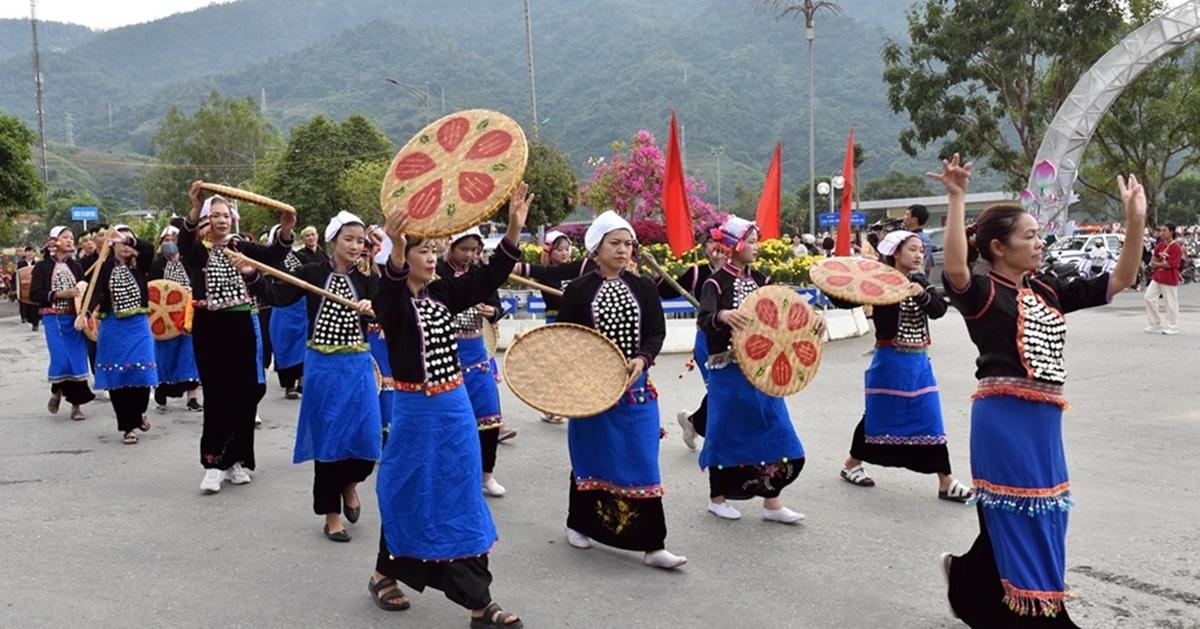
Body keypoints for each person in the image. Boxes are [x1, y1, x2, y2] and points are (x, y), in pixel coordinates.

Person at [933, 154, 1145, 626]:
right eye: (1028, 236)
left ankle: (970, 582)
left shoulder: (1047, 290)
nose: (1039, 243)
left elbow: (1122, 278)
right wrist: (957, 197)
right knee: (1020, 510)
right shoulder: (983, 293)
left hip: (1045, 422)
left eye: (1038, 234)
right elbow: (956, 267)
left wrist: (1135, 220)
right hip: (1003, 418)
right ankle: (1044, 614)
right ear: (998, 248)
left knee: (1041, 511)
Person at [368, 183, 531, 628]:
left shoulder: (442, 294)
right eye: (422, 250)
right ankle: (384, 572)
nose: (432, 257)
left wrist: (513, 230)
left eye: (433, 250)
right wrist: (395, 247)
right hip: (415, 412)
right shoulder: (392, 302)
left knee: (458, 494)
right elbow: (390, 295)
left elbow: (487, 278)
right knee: (409, 489)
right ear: (401, 256)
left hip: (455, 408)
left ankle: (480, 602)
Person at [557, 211, 686, 570]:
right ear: (596, 247)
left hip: (636, 392)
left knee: (642, 459)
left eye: (628, 243)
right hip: (591, 391)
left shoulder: (643, 287)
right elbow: (566, 338)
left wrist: (642, 360)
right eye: (614, 243)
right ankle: (578, 522)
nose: (623, 250)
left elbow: (656, 332)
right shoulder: (578, 291)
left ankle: (653, 545)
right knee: (591, 457)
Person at [832, 229, 972, 502]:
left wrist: (921, 294)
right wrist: (835, 280)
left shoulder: (920, 281)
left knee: (930, 416)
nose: (919, 255)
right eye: (912, 249)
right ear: (895, 252)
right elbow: (847, 298)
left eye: (922, 250)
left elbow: (939, 309)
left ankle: (945, 480)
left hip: (919, 361)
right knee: (878, 415)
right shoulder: (880, 281)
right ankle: (851, 464)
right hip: (890, 359)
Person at [266, 211, 379, 543]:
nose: (355, 246)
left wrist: (373, 307)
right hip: (323, 369)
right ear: (333, 240)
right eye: (349, 239)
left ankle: (350, 483)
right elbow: (279, 296)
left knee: (367, 437)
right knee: (329, 440)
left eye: (360, 241)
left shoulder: (368, 279)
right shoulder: (312, 273)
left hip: (358, 366)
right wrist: (254, 276)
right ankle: (331, 516)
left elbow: (386, 310)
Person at [178, 181, 293, 494]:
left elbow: (274, 255)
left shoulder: (242, 248)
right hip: (209, 326)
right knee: (217, 394)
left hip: (241, 323)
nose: (222, 220)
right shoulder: (197, 251)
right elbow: (184, 240)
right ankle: (213, 464)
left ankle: (236, 461)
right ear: (206, 220)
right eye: (215, 215)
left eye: (226, 215)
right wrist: (194, 206)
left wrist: (285, 230)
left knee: (244, 393)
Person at [697, 216, 813, 525]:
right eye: (750, 241)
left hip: (764, 370)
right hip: (729, 371)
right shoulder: (715, 282)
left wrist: (811, 322)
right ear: (734, 245)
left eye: (756, 241)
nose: (756, 246)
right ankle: (717, 499)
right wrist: (722, 315)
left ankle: (772, 503)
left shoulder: (761, 280)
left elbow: (782, 314)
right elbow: (704, 319)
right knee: (726, 433)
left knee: (775, 426)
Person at [437, 228, 511, 498]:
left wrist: (493, 312)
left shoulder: (480, 273)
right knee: (451, 420)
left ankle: (486, 475)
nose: (469, 255)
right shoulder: (438, 273)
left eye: (473, 250)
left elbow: (497, 306)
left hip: (478, 355)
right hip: (447, 354)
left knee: (488, 418)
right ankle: (452, 475)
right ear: (451, 246)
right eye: (463, 249)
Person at [514, 231, 595, 424]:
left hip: (576, 324)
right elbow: (553, 293)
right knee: (556, 368)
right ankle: (550, 407)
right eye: (560, 250)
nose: (565, 253)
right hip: (555, 322)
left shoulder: (579, 268)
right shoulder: (547, 274)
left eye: (567, 249)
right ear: (549, 252)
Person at [90, 226, 158, 445]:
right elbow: (94, 291)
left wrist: (128, 239)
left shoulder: (140, 264)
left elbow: (148, 248)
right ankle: (128, 426)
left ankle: (138, 413)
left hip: (138, 326)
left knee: (141, 372)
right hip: (113, 326)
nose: (127, 246)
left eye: (131, 242)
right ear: (112, 245)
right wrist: (85, 315)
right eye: (122, 242)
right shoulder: (104, 267)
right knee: (118, 377)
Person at [665, 226, 727, 451]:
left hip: (737, 342)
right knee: (720, 391)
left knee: (731, 391)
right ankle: (717, 440)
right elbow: (665, 291)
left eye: (720, 242)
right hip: (708, 341)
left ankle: (693, 422)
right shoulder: (697, 273)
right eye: (710, 242)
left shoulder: (741, 273)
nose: (716, 247)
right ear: (704, 248)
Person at [29, 227, 96, 420]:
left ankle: (76, 406)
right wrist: (60, 294)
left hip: (74, 320)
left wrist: (84, 310)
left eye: (71, 238)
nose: (69, 240)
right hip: (53, 319)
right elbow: (35, 294)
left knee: (77, 359)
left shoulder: (77, 267)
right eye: (65, 237)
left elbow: (84, 292)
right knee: (61, 358)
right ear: (54, 241)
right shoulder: (42, 267)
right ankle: (57, 390)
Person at [149, 224, 202, 412]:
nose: (170, 242)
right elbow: (152, 291)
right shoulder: (157, 265)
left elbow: (198, 280)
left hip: (187, 313)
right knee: (165, 355)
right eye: (166, 239)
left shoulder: (188, 261)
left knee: (189, 354)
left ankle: (192, 396)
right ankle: (162, 389)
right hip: (165, 319)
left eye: (173, 239)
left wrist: (190, 290)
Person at [267, 226, 310, 398]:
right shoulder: (270, 259)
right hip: (283, 307)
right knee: (284, 344)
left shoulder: (301, 257)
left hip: (301, 307)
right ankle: (289, 384)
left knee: (303, 344)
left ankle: (302, 380)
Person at [1144, 223, 1182, 335]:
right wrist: (1158, 263)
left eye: (1164, 230)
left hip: (1170, 277)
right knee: (1149, 297)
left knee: (1170, 302)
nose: (1162, 233)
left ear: (1171, 232)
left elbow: (1171, 264)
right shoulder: (1160, 245)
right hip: (1158, 277)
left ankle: (1172, 326)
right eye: (1161, 231)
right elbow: (1153, 260)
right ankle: (1155, 323)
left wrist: (1157, 264)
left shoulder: (1176, 247)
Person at [903, 203, 935, 276]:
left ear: (914, 220)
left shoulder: (919, 238)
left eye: (907, 215)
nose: (904, 217)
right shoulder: (922, 237)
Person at [17, 246, 41, 331]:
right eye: (29, 251)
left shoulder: (37, 263)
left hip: (34, 286)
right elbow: (18, 275)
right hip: (24, 287)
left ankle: (35, 323)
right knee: (26, 305)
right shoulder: (21, 263)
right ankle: (27, 318)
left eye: (32, 251)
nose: (31, 253)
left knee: (35, 305)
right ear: (25, 253)